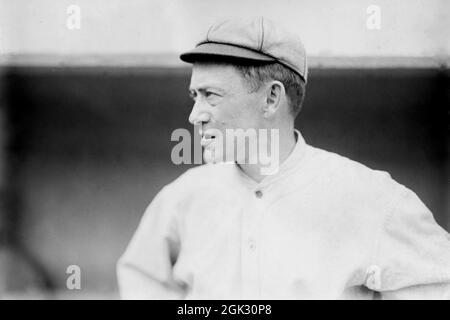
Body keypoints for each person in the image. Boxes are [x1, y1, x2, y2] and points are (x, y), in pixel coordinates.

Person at [117, 17, 450, 299]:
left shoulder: (372, 198)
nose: (195, 116)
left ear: (272, 97)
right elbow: (141, 280)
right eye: (194, 95)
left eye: (210, 96)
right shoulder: (183, 198)